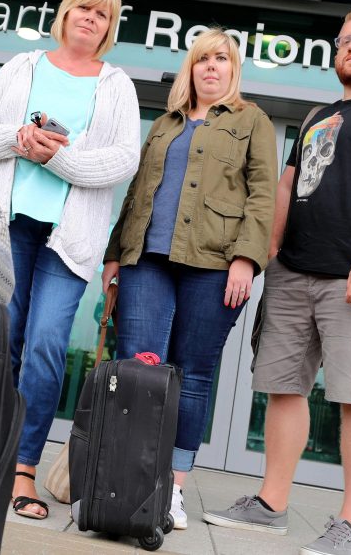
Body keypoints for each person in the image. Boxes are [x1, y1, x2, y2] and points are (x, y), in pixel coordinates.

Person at [203, 10, 351, 555]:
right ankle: (271, 505)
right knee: (283, 388)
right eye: (344, 40)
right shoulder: (318, 114)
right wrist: (268, 255)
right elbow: (288, 187)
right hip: (292, 273)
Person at [0, 0, 140, 520]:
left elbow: (121, 161)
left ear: (110, 29)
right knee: (3, 341)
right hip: (8, 225)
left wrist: (55, 159)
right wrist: (18, 139)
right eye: (83, 9)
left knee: (43, 345)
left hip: (69, 240)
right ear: (65, 14)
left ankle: (23, 469)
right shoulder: (22, 66)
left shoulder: (117, 85)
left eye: (103, 15)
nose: (91, 19)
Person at [102, 28, 277, 530]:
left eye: (221, 59)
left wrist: (247, 259)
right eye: (202, 60)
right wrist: (115, 255)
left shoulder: (252, 120)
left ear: (233, 68)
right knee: (140, 367)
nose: (211, 67)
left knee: (192, 374)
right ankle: (126, 482)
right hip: (147, 259)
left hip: (217, 264)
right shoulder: (164, 124)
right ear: (191, 69)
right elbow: (137, 193)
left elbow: (263, 196)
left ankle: (172, 490)